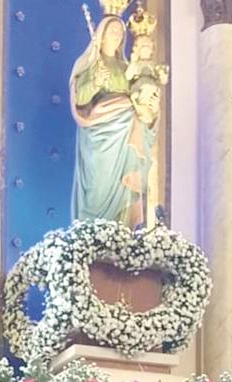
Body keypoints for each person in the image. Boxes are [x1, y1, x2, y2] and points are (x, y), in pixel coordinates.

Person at [70, 15, 155, 226]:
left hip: (127, 135)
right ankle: (93, 230)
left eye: (120, 32)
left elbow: (140, 97)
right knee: (99, 186)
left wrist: (150, 110)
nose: (117, 35)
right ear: (101, 35)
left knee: (124, 186)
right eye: (112, 31)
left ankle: (122, 230)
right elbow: (80, 100)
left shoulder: (126, 68)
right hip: (100, 135)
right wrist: (95, 82)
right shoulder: (89, 64)